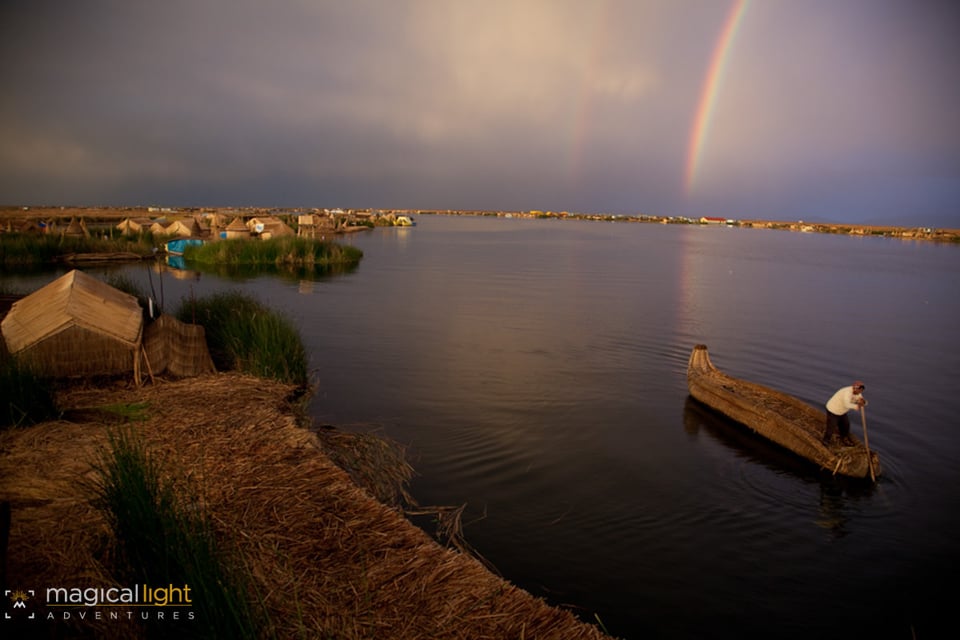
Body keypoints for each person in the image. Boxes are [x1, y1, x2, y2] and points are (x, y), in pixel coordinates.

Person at [823, 381, 867, 446]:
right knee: (831, 427)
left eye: (861, 391)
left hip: (842, 412)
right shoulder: (847, 392)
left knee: (846, 425)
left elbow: (861, 400)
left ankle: (843, 438)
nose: (859, 393)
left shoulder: (858, 393)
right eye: (859, 391)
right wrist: (857, 406)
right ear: (855, 388)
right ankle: (826, 441)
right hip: (833, 410)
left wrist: (864, 402)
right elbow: (847, 404)